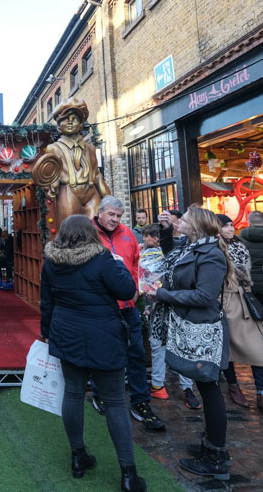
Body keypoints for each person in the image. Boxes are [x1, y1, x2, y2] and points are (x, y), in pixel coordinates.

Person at [40, 215, 145, 491]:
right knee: (114, 401)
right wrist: (118, 265)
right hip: (103, 336)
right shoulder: (102, 259)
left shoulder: (53, 261)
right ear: (91, 234)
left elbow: (47, 300)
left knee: (73, 393)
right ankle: (128, 472)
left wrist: (46, 331)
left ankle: (78, 456)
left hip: (66, 333)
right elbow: (127, 290)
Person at [153, 207, 232, 480]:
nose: (179, 221)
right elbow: (169, 256)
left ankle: (217, 456)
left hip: (203, 330)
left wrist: (163, 295)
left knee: (210, 389)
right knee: (204, 386)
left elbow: (205, 296)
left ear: (196, 226)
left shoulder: (211, 255)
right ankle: (210, 444)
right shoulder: (190, 247)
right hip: (188, 326)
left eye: (184, 219)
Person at [92, 196, 165, 432]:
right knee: (102, 354)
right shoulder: (89, 234)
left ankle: (140, 402)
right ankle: (100, 393)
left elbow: (135, 263)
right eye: (111, 214)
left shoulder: (128, 234)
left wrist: (133, 289)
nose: (115, 219)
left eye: (119, 216)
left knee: (136, 353)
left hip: (128, 306)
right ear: (100, 213)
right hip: (102, 308)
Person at [216, 215, 263, 421]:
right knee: (227, 347)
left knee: (258, 347)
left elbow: (247, 272)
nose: (230, 228)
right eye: (225, 225)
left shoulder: (239, 245)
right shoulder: (213, 248)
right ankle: (234, 386)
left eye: (231, 225)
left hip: (244, 299)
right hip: (224, 301)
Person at [138, 224, 199, 409]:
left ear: (157, 239)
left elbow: (144, 283)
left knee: (158, 346)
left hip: (158, 306)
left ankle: (158, 386)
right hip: (179, 305)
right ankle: (187, 389)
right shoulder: (181, 254)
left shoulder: (148, 257)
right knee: (181, 347)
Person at [32, 98, 111, 222]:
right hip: (69, 193)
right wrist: (51, 185)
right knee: (71, 229)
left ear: (80, 124)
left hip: (91, 193)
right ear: (59, 124)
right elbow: (47, 176)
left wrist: (108, 198)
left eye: (74, 119)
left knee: (97, 228)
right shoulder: (54, 148)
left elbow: (97, 175)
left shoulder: (90, 148)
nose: (70, 122)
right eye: (65, 119)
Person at [237, 210, 263, 371]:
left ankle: (255, 357)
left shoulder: (240, 240)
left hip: (250, 287)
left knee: (252, 323)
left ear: (248, 222)